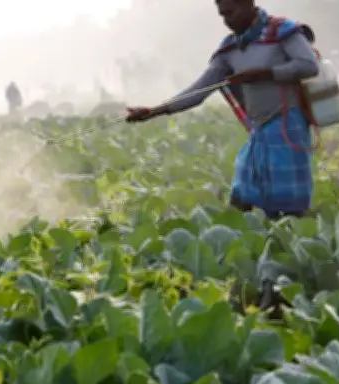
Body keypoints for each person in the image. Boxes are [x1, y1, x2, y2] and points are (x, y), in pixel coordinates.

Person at [125, 0, 319, 220]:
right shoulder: (230, 49)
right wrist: (154, 111)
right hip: (259, 130)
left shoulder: (283, 31)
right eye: (223, 15)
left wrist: (265, 74)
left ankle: (294, 244)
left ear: (249, 4)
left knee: (289, 202)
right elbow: (199, 90)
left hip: (287, 125)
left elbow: (309, 65)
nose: (227, 21)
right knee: (242, 194)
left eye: (231, 13)